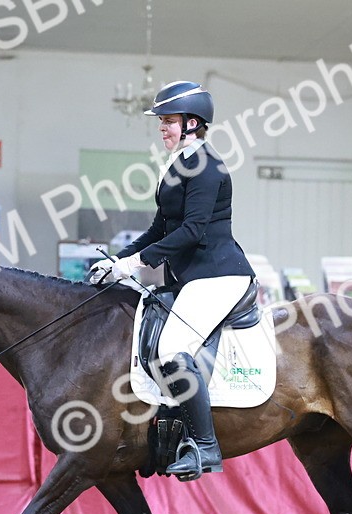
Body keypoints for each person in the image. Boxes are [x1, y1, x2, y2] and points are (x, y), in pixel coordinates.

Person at [90, 81, 256, 480]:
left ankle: (205, 446)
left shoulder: (208, 166)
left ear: (192, 123)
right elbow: (159, 229)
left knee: (172, 349)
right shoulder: (178, 163)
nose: (162, 128)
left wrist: (137, 264)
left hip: (218, 275)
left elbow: (193, 230)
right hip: (191, 277)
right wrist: (120, 261)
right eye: (161, 121)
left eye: (168, 121)